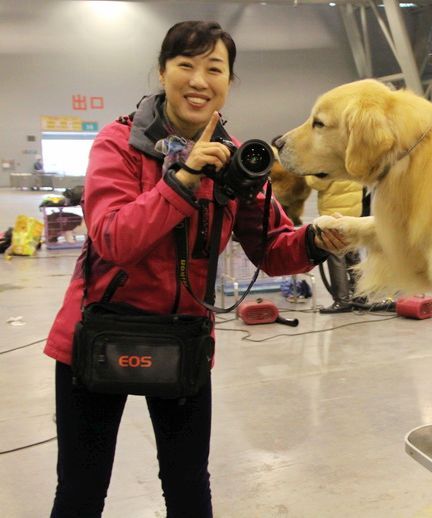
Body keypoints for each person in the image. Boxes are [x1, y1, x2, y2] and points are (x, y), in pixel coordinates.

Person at [43, 21, 345, 518]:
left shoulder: (236, 159)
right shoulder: (117, 143)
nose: (199, 80)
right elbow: (115, 238)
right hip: (96, 332)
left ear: (229, 80)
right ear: (163, 73)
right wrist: (183, 179)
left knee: (188, 490)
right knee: (81, 491)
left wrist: (315, 240)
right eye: (186, 65)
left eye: (214, 68)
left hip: (182, 339)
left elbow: (270, 249)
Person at [306, 175, 364, 313]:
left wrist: (310, 174)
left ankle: (342, 300)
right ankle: (361, 297)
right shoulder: (350, 158)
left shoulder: (327, 159)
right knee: (353, 255)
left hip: (334, 214)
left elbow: (317, 183)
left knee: (336, 256)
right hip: (354, 211)